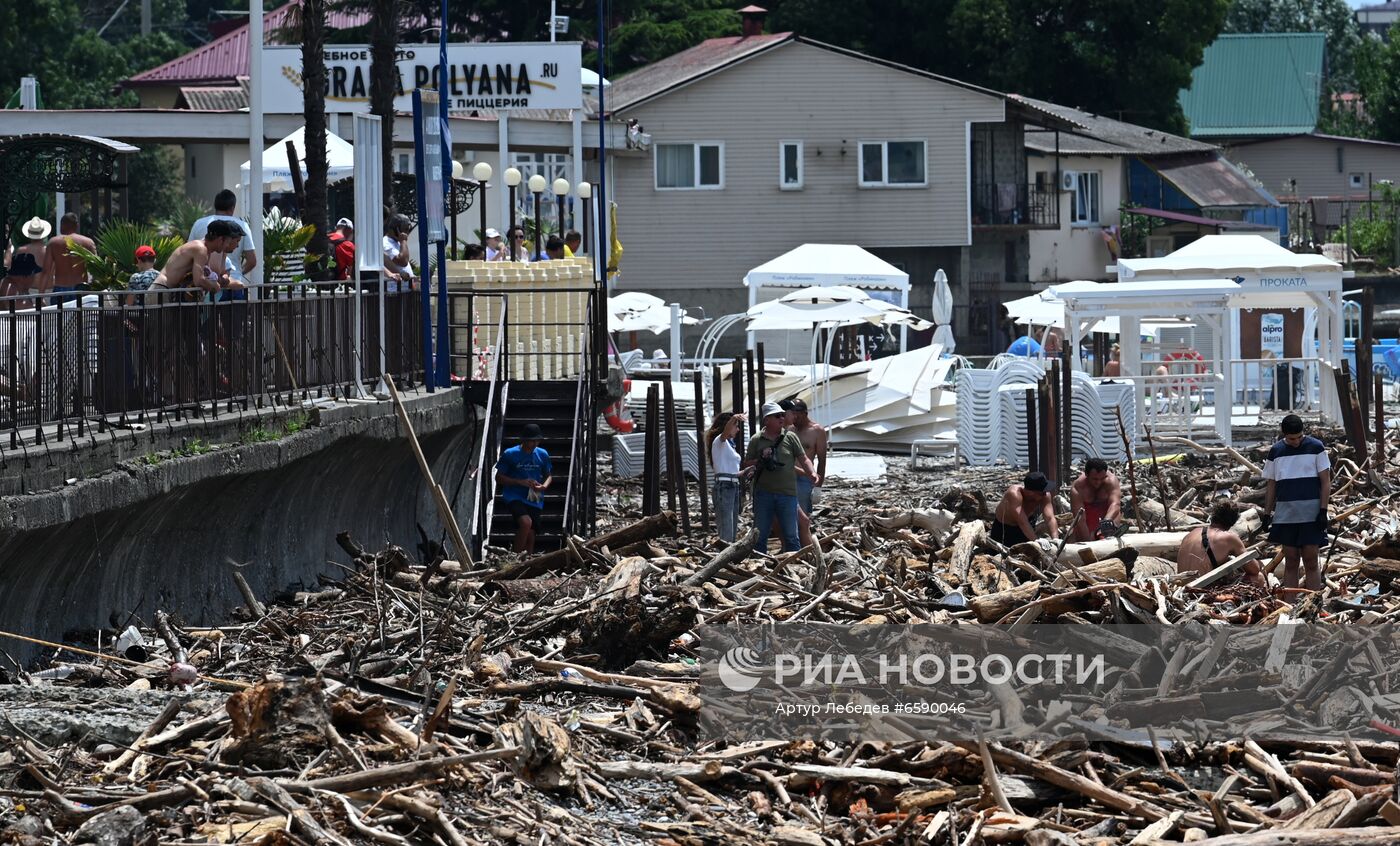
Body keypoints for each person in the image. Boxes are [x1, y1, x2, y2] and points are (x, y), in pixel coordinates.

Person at [1263, 414, 1331, 590]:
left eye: (1300, 437)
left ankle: (1314, 603)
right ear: (1284, 435)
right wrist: (1266, 513)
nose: (1297, 441)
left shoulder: (1316, 448)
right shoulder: (1276, 452)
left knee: (1310, 560)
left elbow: (1325, 481)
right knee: (1291, 561)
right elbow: (1271, 485)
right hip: (1286, 515)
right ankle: (1291, 605)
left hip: (1312, 514)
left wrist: (1323, 510)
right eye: (1292, 438)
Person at [744, 402, 816, 554]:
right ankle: (759, 566)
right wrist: (761, 457)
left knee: (791, 534)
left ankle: (795, 564)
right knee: (760, 534)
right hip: (763, 493)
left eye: (783, 415)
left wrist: (812, 473)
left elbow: (804, 459)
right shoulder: (757, 440)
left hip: (788, 494)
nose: (782, 418)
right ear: (767, 420)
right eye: (777, 416)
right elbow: (745, 463)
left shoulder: (790, 437)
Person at [1178, 500, 1264, 589]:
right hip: (1200, 591)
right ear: (1233, 522)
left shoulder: (1192, 533)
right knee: (1259, 578)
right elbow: (1254, 569)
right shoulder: (1229, 538)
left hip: (1181, 588)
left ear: (1213, 516)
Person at [495, 423, 553, 553]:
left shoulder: (542, 454)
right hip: (514, 495)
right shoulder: (510, 454)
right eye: (531, 441)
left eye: (536, 441)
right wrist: (519, 482)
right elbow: (498, 478)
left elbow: (549, 476)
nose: (534, 444)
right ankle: (514, 559)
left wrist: (543, 486)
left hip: (534, 495)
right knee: (526, 523)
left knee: (531, 533)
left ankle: (526, 563)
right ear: (524, 440)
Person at [189, 189, 257, 285]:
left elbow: (191, 253)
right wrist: (238, 274)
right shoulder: (242, 225)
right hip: (233, 282)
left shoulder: (199, 223)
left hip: (206, 282)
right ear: (232, 208)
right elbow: (252, 261)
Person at [152, 219, 235, 295]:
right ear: (220, 240)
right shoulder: (201, 249)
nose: (227, 246)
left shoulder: (206, 251)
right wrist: (215, 287)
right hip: (161, 289)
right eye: (228, 242)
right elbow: (199, 280)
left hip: (167, 290)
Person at [705, 411, 747, 543]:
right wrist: (734, 418)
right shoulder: (719, 440)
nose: (737, 429)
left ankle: (728, 554)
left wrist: (746, 471)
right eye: (736, 426)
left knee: (732, 523)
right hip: (724, 486)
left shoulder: (728, 445)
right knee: (726, 526)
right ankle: (724, 555)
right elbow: (725, 431)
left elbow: (731, 471)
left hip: (732, 484)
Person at [990, 472, 1059, 545]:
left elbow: (1050, 518)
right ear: (1031, 492)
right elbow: (1022, 522)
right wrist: (1036, 541)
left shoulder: (1045, 495)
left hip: (1027, 525)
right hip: (1004, 529)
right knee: (999, 554)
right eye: (1042, 493)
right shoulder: (1014, 494)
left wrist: (1056, 539)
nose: (1045, 494)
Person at [788, 398, 828, 519]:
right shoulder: (790, 429)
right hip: (787, 477)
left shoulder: (817, 431)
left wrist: (818, 487)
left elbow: (822, 460)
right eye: (792, 415)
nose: (794, 419)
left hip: (804, 479)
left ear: (805, 413)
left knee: (802, 516)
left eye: (797, 415)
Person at [44, 212, 95, 303]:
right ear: (77, 225)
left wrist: (41, 294)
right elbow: (96, 269)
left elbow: (46, 271)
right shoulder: (88, 242)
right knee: (81, 317)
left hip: (60, 289)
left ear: (61, 225)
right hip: (81, 288)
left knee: (59, 317)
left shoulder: (53, 243)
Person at [1068, 458, 1122, 541]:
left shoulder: (1111, 481)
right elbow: (1080, 519)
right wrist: (1088, 542)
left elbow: (1115, 504)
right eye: (1095, 479)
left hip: (1107, 517)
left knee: (1114, 518)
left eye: (1102, 478)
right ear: (1086, 474)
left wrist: (1106, 521)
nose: (1098, 482)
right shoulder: (1078, 488)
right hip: (1087, 520)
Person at [4, 217, 49, 302]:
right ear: (43, 233)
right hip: (48, 291)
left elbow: (16, 273)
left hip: (28, 289)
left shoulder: (22, 250)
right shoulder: (49, 251)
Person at [383, 214, 415, 291]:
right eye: (404, 229)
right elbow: (403, 261)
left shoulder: (398, 243)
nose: (407, 232)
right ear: (395, 229)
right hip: (394, 290)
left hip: (404, 288)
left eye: (408, 229)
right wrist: (403, 241)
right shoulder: (386, 243)